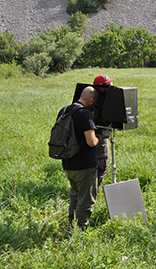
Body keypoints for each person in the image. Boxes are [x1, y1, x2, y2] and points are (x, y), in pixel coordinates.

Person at [61, 86, 102, 231]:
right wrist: (99, 138)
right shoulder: (85, 114)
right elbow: (91, 141)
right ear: (91, 99)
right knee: (85, 199)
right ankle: (80, 229)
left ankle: (71, 225)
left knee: (75, 196)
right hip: (84, 165)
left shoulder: (65, 110)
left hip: (68, 162)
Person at [93, 74, 114, 186]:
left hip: (93, 134)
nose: (110, 86)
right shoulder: (101, 100)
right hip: (100, 135)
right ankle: (94, 188)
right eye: (107, 84)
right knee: (102, 163)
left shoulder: (90, 97)